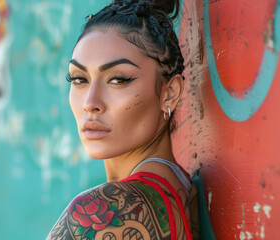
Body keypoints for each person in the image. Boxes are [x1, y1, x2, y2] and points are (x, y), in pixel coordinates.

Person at [47, 0, 199, 239]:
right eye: (78, 79)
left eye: (118, 80)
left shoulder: (100, 212)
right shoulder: (183, 192)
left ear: (169, 93)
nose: (90, 102)